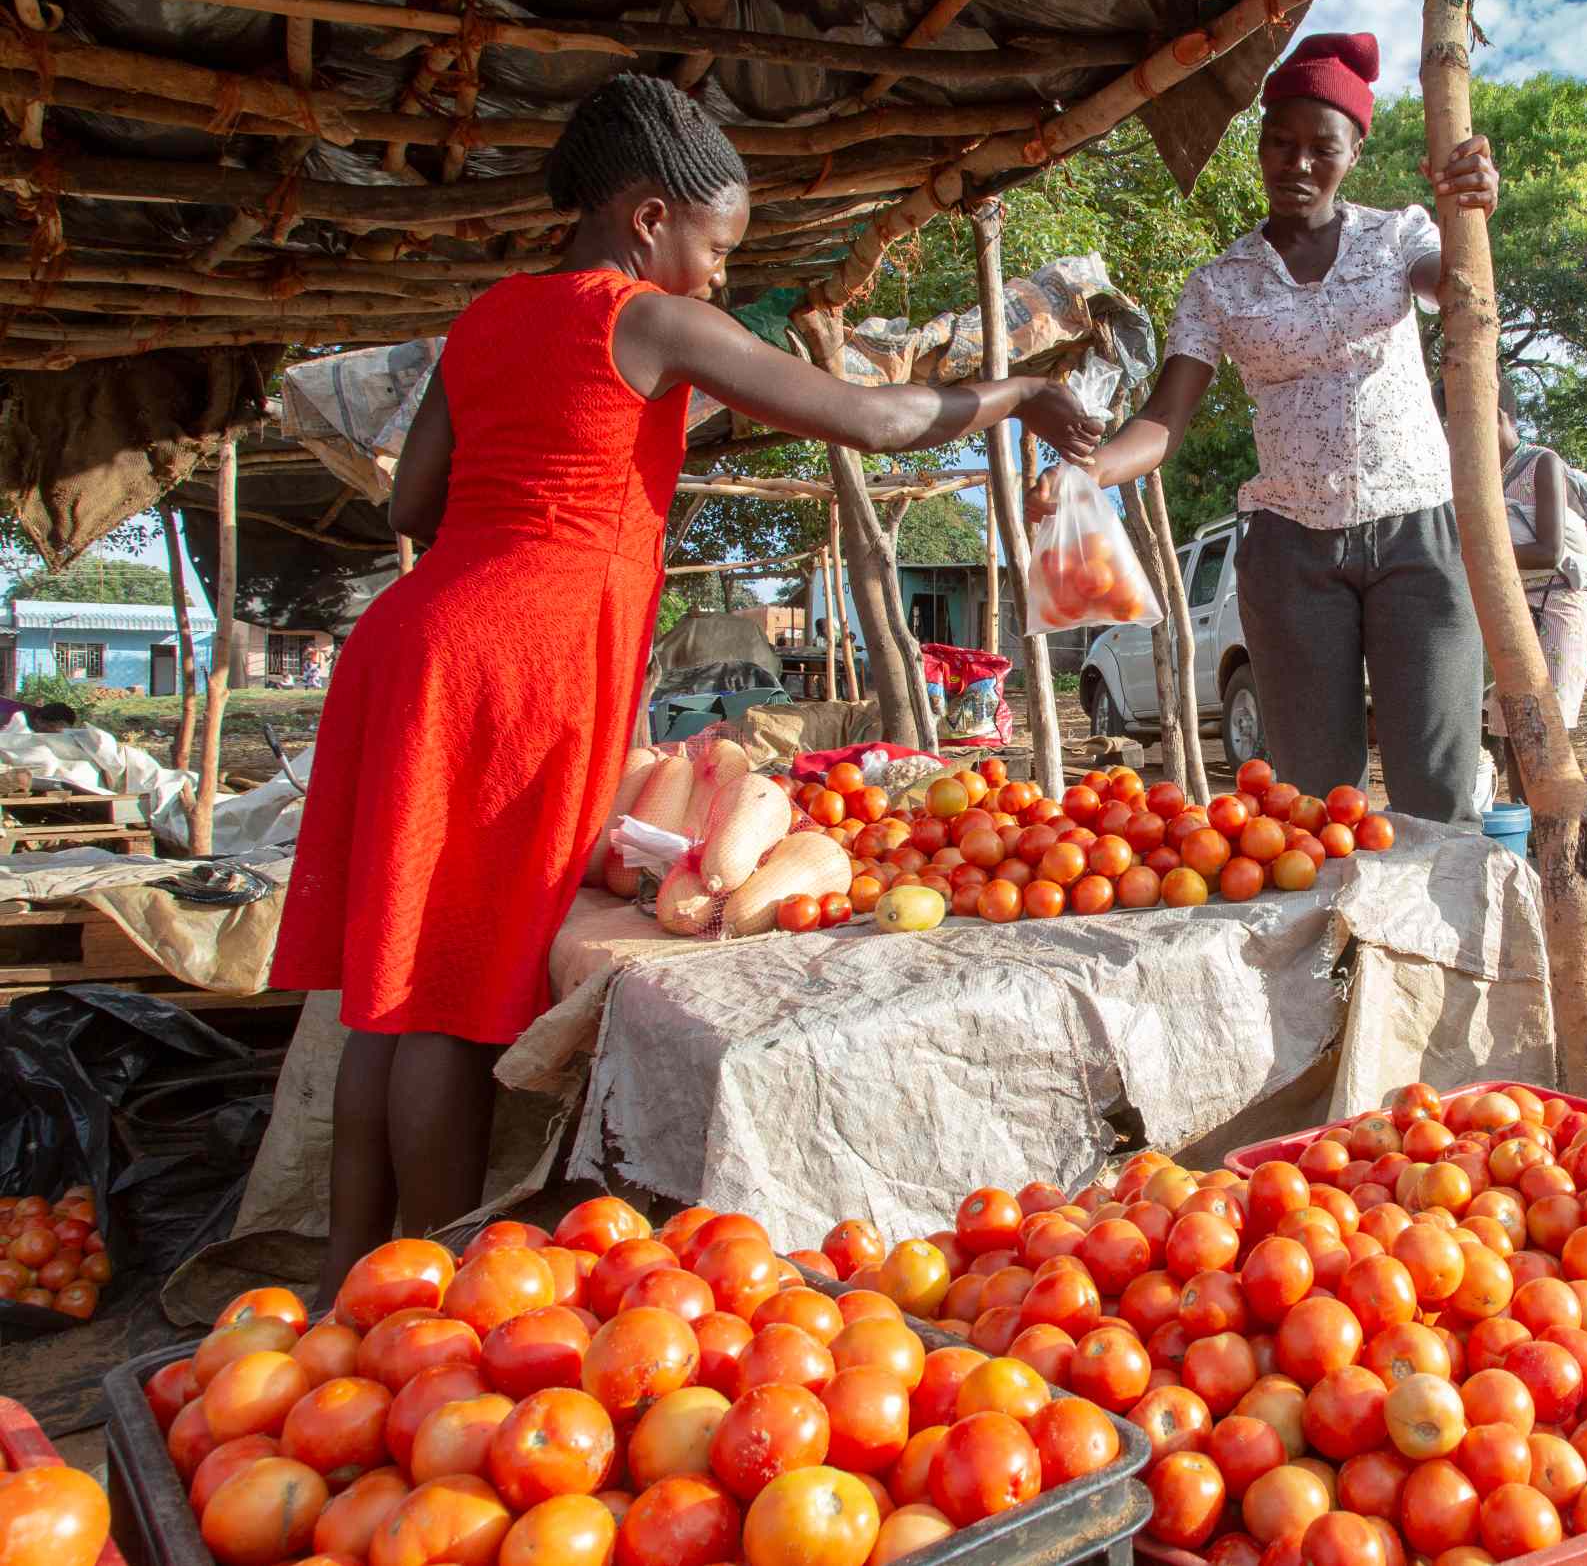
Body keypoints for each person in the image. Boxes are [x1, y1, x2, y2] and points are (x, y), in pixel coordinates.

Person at [270, 75, 1102, 1291]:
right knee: (450, 994)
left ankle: (351, 1287)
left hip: (414, 641)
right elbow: (876, 421)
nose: (719, 276)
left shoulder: (488, 316)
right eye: (717, 247)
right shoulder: (648, 321)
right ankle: (421, 1313)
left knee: (388, 991)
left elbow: (410, 504)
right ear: (649, 217)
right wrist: (1020, 389)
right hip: (516, 664)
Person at [1032, 31, 1499, 822]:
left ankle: (1435, 944)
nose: (1299, 164)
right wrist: (1091, 472)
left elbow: (1456, 289)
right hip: (1290, 550)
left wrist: (1469, 210)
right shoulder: (1219, 283)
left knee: (1437, 788)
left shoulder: (1398, 237)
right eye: (1279, 144)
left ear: (1357, 148)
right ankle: (1332, 945)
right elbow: (1163, 420)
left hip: (1417, 534)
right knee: (1314, 798)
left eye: (1322, 147)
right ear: (1259, 147)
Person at [1455, 373, 1587, 796]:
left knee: (1545, 732)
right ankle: (1526, 828)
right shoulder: (1481, 479)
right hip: (1509, 607)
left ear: (1496, 415)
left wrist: (1470, 558)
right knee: (1513, 730)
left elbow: (1549, 551)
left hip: (1554, 606)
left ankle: (1554, 828)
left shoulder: (1541, 463)